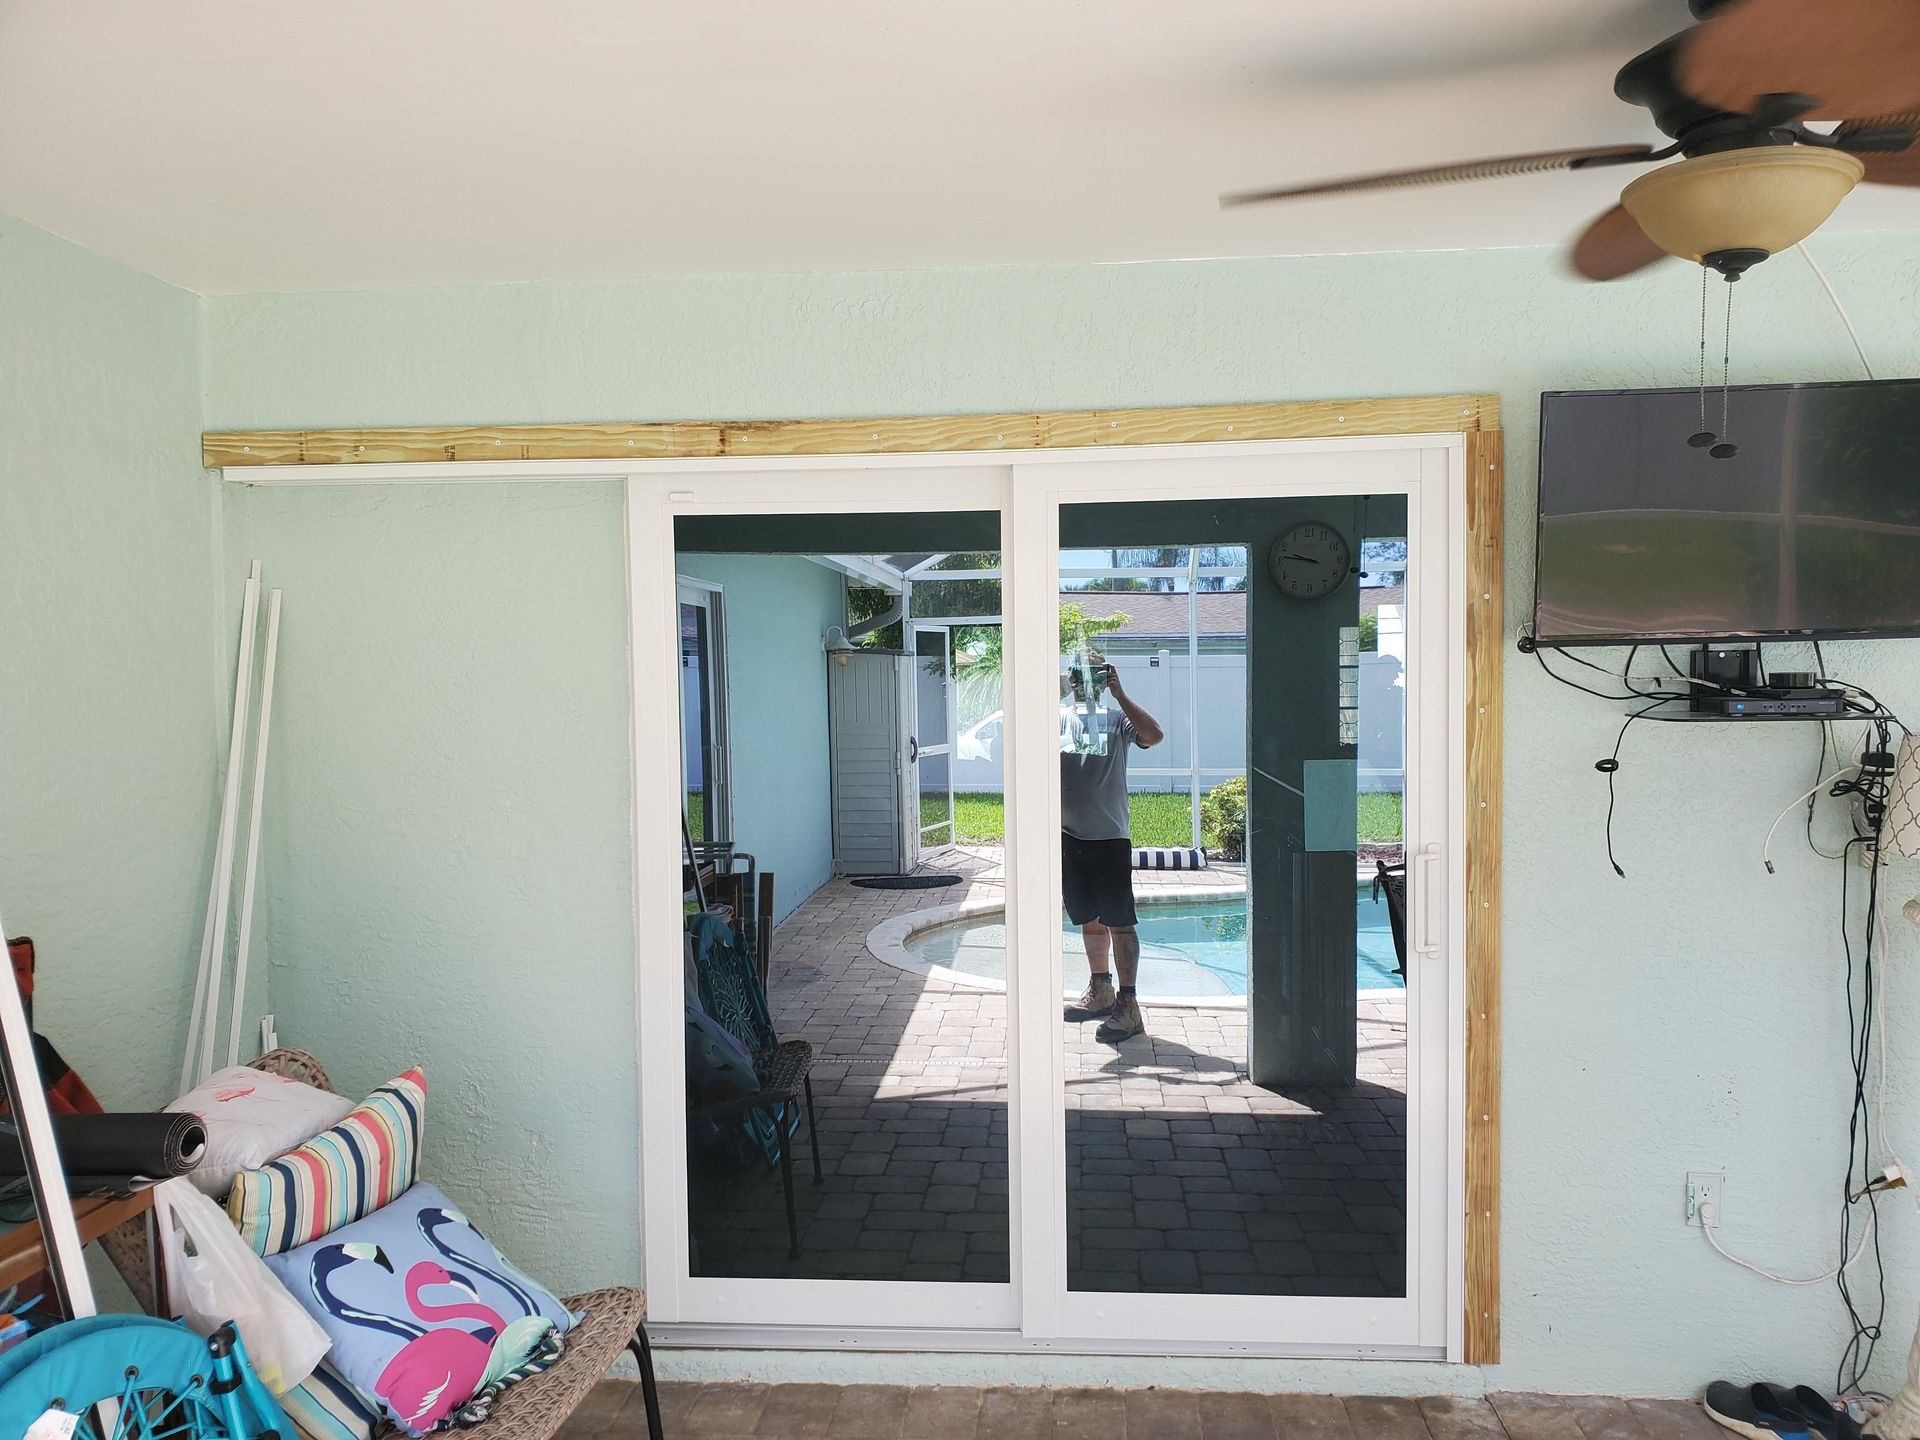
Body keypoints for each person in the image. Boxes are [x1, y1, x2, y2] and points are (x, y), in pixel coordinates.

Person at [1060, 657, 1164, 1043]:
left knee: (1120, 922)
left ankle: (1129, 1005)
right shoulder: (1060, 719)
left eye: (1092, 674)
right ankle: (1100, 990)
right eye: (1077, 673)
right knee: (1089, 918)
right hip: (1070, 836)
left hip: (1109, 837)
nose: (1082, 681)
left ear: (1105, 680)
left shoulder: (1118, 720)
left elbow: (1154, 735)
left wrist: (1120, 694)